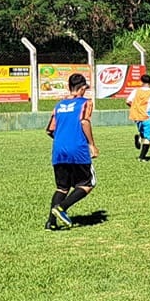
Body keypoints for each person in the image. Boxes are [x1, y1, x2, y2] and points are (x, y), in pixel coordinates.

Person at [45, 73, 98, 231]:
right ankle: (62, 208)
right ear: (82, 89)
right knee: (88, 183)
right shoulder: (85, 103)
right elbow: (84, 122)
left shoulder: (59, 105)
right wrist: (92, 145)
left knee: (62, 187)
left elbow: (49, 130)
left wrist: (63, 140)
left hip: (58, 150)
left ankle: (51, 223)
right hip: (78, 148)